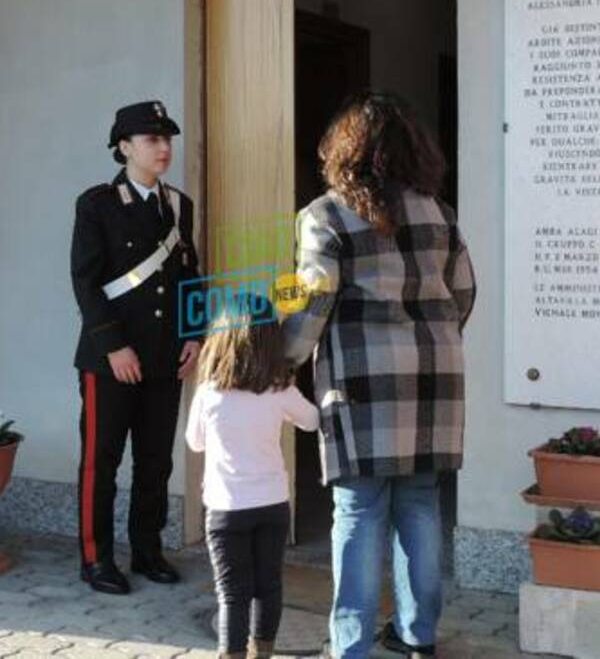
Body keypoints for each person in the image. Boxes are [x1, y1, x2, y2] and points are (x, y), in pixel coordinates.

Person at [282, 91, 476, 659]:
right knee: (420, 505)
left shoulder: (326, 214)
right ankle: (418, 637)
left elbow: (313, 301)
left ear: (345, 151)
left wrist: (281, 361)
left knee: (358, 510)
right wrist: (432, 342)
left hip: (361, 382)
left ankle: (352, 646)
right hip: (436, 379)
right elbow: (465, 295)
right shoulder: (441, 213)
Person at [70, 100, 203, 595]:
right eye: (151, 140)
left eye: (167, 139)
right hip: (111, 359)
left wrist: (194, 334)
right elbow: (85, 282)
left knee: (155, 460)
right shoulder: (97, 203)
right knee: (101, 461)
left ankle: (147, 550)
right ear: (124, 148)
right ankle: (95, 557)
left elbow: (190, 275)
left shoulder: (178, 206)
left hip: (165, 355)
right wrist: (115, 347)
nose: (163, 148)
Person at [186, 298, 319, 659]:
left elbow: (194, 443)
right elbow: (311, 420)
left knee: (232, 593)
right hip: (273, 504)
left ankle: (231, 654)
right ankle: (264, 652)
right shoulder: (279, 390)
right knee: (269, 586)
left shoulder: (209, 393)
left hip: (226, 509)